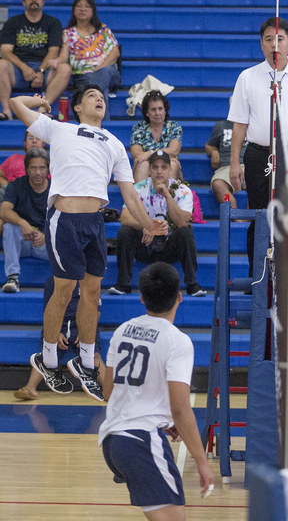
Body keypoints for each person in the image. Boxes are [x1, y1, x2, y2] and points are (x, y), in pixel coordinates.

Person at [10, 85, 168, 402]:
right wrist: (42, 101)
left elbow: (130, 194)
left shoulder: (113, 144)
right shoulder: (61, 129)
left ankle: (85, 362)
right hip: (64, 221)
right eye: (91, 96)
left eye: (101, 96)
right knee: (65, 289)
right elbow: (15, 103)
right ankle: (49, 357)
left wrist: (147, 222)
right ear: (78, 107)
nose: (99, 99)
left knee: (92, 293)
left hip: (94, 223)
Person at [100, 262, 214, 519]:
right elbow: (181, 409)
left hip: (112, 441)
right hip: (141, 442)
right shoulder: (177, 341)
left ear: (141, 297)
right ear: (179, 297)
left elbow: (108, 392)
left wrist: (160, 420)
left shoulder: (121, 331)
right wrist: (202, 462)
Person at [228, 17, 288, 274]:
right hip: (259, 155)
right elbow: (239, 125)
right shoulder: (247, 77)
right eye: (269, 39)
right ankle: (257, 277)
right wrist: (235, 163)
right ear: (261, 44)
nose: (274, 45)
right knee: (259, 217)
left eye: (280, 39)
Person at [109, 150, 206, 298]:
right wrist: (146, 226)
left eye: (163, 167)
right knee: (125, 232)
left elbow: (182, 221)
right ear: (149, 170)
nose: (159, 171)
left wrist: (167, 195)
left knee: (185, 233)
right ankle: (123, 284)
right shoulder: (138, 189)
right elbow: (125, 219)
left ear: (170, 169)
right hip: (145, 243)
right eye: (155, 167)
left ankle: (192, 284)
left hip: (169, 245)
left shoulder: (182, 190)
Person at [13, 276, 105, 400]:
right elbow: (48, 310)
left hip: (82, 324)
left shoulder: (90, 278)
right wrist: (55, 333)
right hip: (58, 324)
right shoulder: (52, 281)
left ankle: (110, 391)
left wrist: (86, 331)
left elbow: (95, 309)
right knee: (46, 354)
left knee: (94, 355)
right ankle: (30, 388)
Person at [0, 0, 71, 121]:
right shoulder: (12, 22)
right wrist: (24, 68)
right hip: (18, 71)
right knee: (1, 64)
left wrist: (41, 71)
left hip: (45, 71)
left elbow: (53, 51)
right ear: (23, 1)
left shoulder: (53, 22)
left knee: (65, 68)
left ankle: (42, 110)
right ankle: (7, 111)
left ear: (43, 1)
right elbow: (6, 52)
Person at [48, 0, 120, 120]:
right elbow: (64, 57)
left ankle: (91, 115)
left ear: (93, 11)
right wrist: (55, 61)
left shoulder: (103, 29)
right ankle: (104, 125)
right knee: (100, 88)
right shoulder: (68, 33)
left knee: (103, 75)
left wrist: (98, 69)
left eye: (87, 6)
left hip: (107, 71)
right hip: (82, 76)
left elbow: (115, 53)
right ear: (74, 10)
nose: (83, 9)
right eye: (79, 6)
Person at [0, 148, 50, 293]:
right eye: (33, 168)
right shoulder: (16, 185)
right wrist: (23, 223)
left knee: (69, 233)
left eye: (42, 168)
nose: (38, 172)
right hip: (22, 242)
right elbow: (4, 210)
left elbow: (63, 220)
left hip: (46, 244)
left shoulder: (55, 189)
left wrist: (47, 237)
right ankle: (13, 277)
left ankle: (69, 283)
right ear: (27, 169)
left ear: (48, 169)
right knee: (9, 227)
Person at [0, 130, 46, 236]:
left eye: (38, 138)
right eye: (30, 138)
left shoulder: (49, 163)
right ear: (25, 142)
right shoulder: (14, 159)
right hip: (11, 198)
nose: (34, 141)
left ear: (44, 143)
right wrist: (3, 181)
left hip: (36, 204)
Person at [131, 91, 182, 183]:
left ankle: (168, 197)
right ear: (147, 113)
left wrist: (148, 154)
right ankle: (140, 197)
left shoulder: (174, 127)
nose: (157, 113)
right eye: (153, 109)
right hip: (147, 167)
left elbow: (174, 150)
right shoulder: (139, 128)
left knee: (171, 165)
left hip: (167, 166)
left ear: (165, 110)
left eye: (160, 109)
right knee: (143, 165)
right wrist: (163, 156)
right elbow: (137, 154)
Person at [205, 104, 248, 207]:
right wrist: (214, 151)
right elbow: (208, 146)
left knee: (262, 184)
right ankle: (238, 220)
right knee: (218, 184)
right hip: (226, 167)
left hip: (249, 165)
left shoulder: (254, 125)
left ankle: (249, 220)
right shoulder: (221, 126)